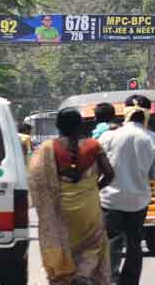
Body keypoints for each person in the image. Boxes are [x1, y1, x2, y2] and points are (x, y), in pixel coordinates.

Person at [28, 107, 115, 285]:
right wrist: (93, 188)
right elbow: (110, 174)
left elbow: (36, 179)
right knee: (94, 245)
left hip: (62, 210)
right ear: (80, 124)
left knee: (65, 245)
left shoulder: (47, 149)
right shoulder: (93, 145)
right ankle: (83, 274)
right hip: (89, 207)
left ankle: (68, 277)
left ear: (58, 126)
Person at [98, 94, 155, 285]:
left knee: (112, 241)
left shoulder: (108, 136)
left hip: (110, 200)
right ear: (147, 113)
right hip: (139, 201)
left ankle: (109, 279)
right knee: (135, 244)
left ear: (125, 112)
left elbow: (98, 169)